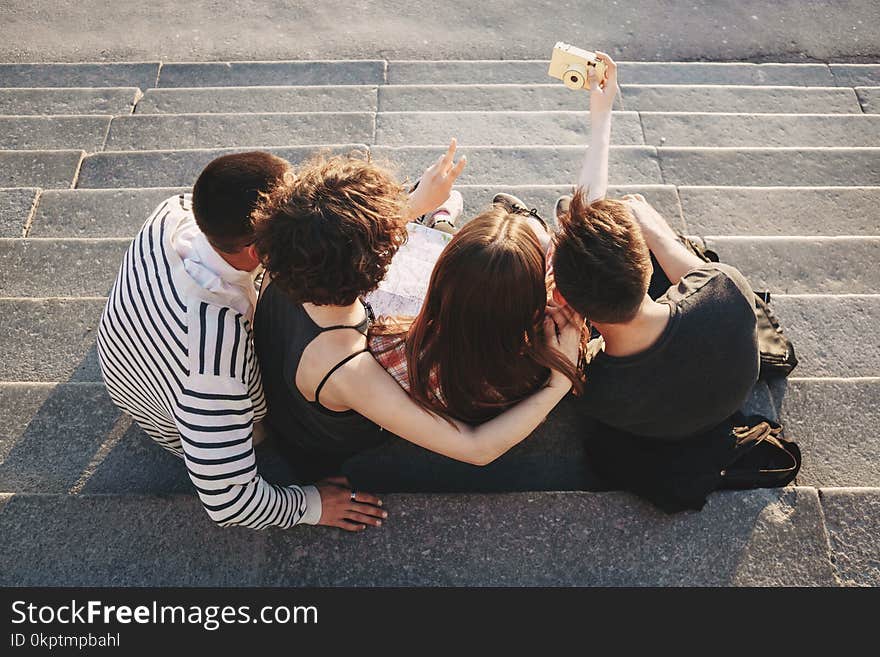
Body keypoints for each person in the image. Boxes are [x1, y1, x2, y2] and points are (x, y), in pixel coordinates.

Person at [96, 151, 387, 533]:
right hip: (186, 418)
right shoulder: (215, 359)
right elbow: (229, 502)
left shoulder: (174, 212)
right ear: (256, 251)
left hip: (141, 356)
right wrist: (312, 505)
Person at [252, 144, 582, 480]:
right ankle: (441, 225)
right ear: (374, 271)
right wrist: (558, 383)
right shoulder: (347, 366)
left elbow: (333, 236)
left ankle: (438, 221)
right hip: (326, 446)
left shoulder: (290, 254)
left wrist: (416, 204)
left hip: (288, 381)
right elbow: (475, 449)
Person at [540, 52, 761, 438]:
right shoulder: (730, 292)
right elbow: (688, 263)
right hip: (728, 394)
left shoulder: (597, 391)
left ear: (562, 297)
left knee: (564, 215)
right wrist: (652, 226)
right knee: (590, 213)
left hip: (662, 424)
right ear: (645, 260)